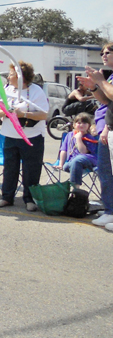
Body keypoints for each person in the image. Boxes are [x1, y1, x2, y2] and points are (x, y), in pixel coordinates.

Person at [0, 61, 48, 211]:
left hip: (32, 136)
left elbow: (43, 114)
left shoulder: (36, 91)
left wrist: (22, 114)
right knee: (10, 168)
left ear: (21, 76)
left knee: (31, 170)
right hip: (10, 135)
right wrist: (7, 111)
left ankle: (30, 199)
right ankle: (6, 197)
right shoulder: (6, 90)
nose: (8, 78)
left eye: (11, 75)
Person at [78, 42, 113, 229]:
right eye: (102, 52)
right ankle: (110, 210)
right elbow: (106, 100)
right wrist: (93, 87)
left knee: (108, 173)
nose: (104, 55)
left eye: (108, 52)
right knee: (106, 172)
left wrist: (100, 81)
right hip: (109, 130)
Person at [58, 113, 98, 192]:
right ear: (74, 125)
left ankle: (76, 188)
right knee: (68, 165)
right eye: (79, 123)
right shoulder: (69, 135)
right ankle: (74, 188)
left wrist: (79, 139)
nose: (81, 125)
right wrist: (60, 164)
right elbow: (63, 150)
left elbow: (83, 152)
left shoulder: (89, 137)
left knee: (77, 160)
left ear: (89, 125)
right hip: (72, 161)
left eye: (84, 123)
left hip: (88, 160)